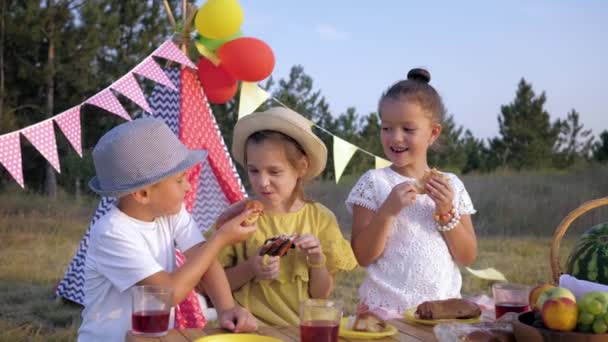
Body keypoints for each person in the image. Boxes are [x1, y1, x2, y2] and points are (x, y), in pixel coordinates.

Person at [78, 118, 258, 341]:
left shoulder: (169, 212)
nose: (189, 186)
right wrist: (220, 239)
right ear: (143, 194)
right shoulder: (112, 233)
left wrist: (226, 308)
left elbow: (204, 257)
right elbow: (167, 295)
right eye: (180, 180)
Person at [346, 68, 478, 319]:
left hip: (441, 312)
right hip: (385, 312)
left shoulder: (451, 185)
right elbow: (362, 256)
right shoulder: (373, 182)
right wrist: (387, 211)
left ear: (433, 132)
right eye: (387, 128)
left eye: (408, 129)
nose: (396, 138)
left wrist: (446, 211)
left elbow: (467, 256)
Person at [214, 107, 357, 325]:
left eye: (274, 172)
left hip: (299, 331)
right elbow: (211, 285)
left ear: (301, 167)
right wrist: (251, 268)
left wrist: (317, 260)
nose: (262, 182)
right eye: (254, 171)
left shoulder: (320, 218)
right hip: (248, 330)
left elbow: (321, 294)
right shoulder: (240, 217)